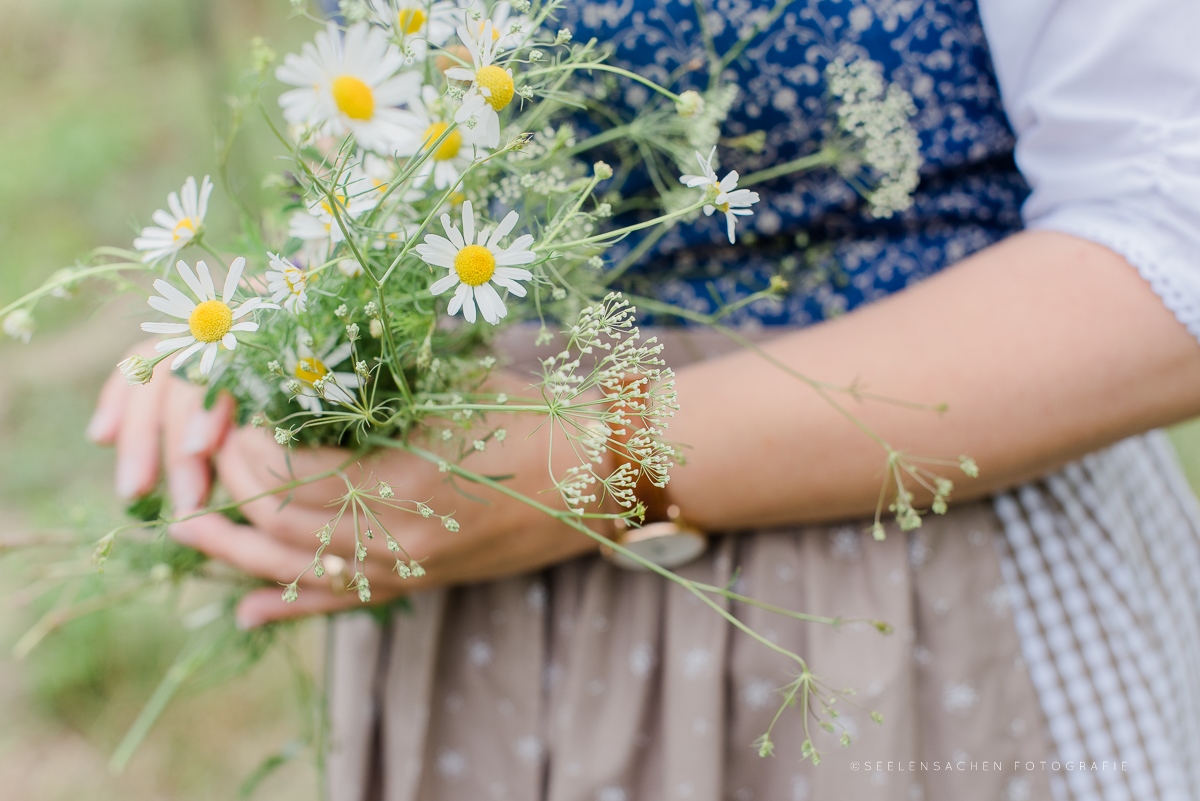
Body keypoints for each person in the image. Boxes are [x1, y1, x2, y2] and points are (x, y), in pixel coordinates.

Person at [87, 0, 1200, 799]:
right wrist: (275, 327)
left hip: (901, 608)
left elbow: (1166, 255)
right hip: (489, 649)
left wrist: (588, 459)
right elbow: (385, 114)